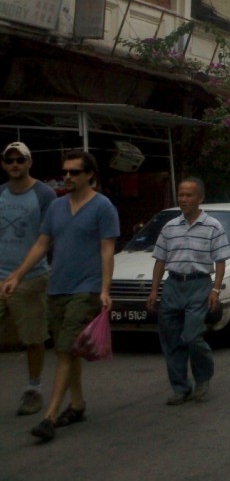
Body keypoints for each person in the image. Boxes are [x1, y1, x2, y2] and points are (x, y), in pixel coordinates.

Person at [1, 149, 119, 443]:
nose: (67, 177)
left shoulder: (103, 207)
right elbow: (42, 244)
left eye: (74, 172)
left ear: (90, 174)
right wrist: (17, 275)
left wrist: (105, 290)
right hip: (57, 287)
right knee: (69, 349)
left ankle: (49, 416)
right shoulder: (56, 206)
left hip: (86, 288)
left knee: (65, 350)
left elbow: (107, 250)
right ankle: (77, 405)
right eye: (65, 172)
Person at [145, 178, 230, 405]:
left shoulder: (213, 226)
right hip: (173, 285)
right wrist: (154, 290)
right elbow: (160, 261)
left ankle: (203, 378)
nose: (183, 199)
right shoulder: (170, 227)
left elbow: (221, 260)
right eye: (181, 195)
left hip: (199, 285)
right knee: (171, 339)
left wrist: (215, 290)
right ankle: (180, 388)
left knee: (192, 336)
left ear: (200, 198)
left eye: (188, 195)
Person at [0, 142, 57, 417]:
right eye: (9, 160)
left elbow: (47, 239)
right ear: (3, 164)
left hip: (31, 277)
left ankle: (33, 389)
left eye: (19, 160)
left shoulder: (44, 195)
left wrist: (20, 273)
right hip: (0, 276)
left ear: (29, 163)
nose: (14, 165)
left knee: (33, 338)